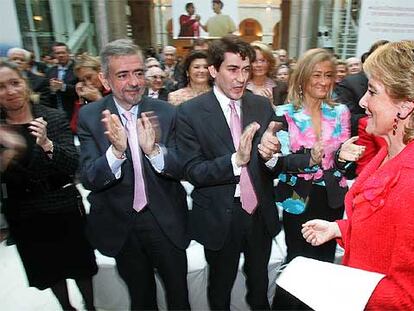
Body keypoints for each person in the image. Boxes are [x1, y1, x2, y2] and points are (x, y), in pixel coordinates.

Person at [77, 39, 190, 310]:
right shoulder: (91, 117)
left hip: (165, 221)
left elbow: (183, 166)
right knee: (141, 300)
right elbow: (90, 178)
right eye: (123, 75)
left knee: (179, 298)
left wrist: (154, 152)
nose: (135, 82)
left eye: (139, 73)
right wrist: (116, 153)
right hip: (122, 226)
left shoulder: (166, 112)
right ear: (105, 79)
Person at [302, 40, 414, 310]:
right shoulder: (388, 151)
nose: (363, 101)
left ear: (405, 106)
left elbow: (406, 296)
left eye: (372, 92)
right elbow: (385, 233)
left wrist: (336, 286)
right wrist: (338, 228)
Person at [176, 34, 283, 310]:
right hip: (220, 216)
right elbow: (192, 170)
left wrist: (272, 156)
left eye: (246, 70)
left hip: (259, 211)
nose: (241, 78)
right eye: (233, 69)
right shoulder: (190, 113)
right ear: (213, 71)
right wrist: (236, 160)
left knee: (260, 285)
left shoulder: (260, 105)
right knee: (220, 287)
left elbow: (274, 162)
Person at [266, 48, 364, 310]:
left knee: (324, 261)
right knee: (298, 261)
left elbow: (342, 162)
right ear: (303, 77)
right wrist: (311, 158)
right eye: (316, 75)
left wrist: (345, 158)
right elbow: (282, 162)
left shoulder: (341, 111)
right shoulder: (284, 113)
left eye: (329, 75)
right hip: (298, 198)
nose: (323, 81)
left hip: (332, 197)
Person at [0, 61, 97, 311]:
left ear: (25, 84)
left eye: (14, 82)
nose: (10, 91)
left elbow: (71, 164)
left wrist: (46, 144)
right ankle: (67, 308)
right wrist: (9, 154)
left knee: (80, 265)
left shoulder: (51, 117)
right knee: (48, 270)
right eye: (1, 87)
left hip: (62, 204)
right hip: (24, 211)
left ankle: (91, 306)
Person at [72, 53, 109, 133]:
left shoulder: (113, 90)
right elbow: (75, 128)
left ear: (100, 72)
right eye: (83, 81)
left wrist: (98, 100)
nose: (88, 83)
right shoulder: (87, 96)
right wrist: (81, 100)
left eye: (89, 77)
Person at [46, 42, 78, 121]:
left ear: (68, 53)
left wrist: (63, 87)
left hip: (74, 110)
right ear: (54, 55)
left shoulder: (77, 69)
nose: (61, 55)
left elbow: (80, 88)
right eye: (58, 53)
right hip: (56, 111)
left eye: (63, 52)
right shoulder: (50, 71)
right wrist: (52, 89)